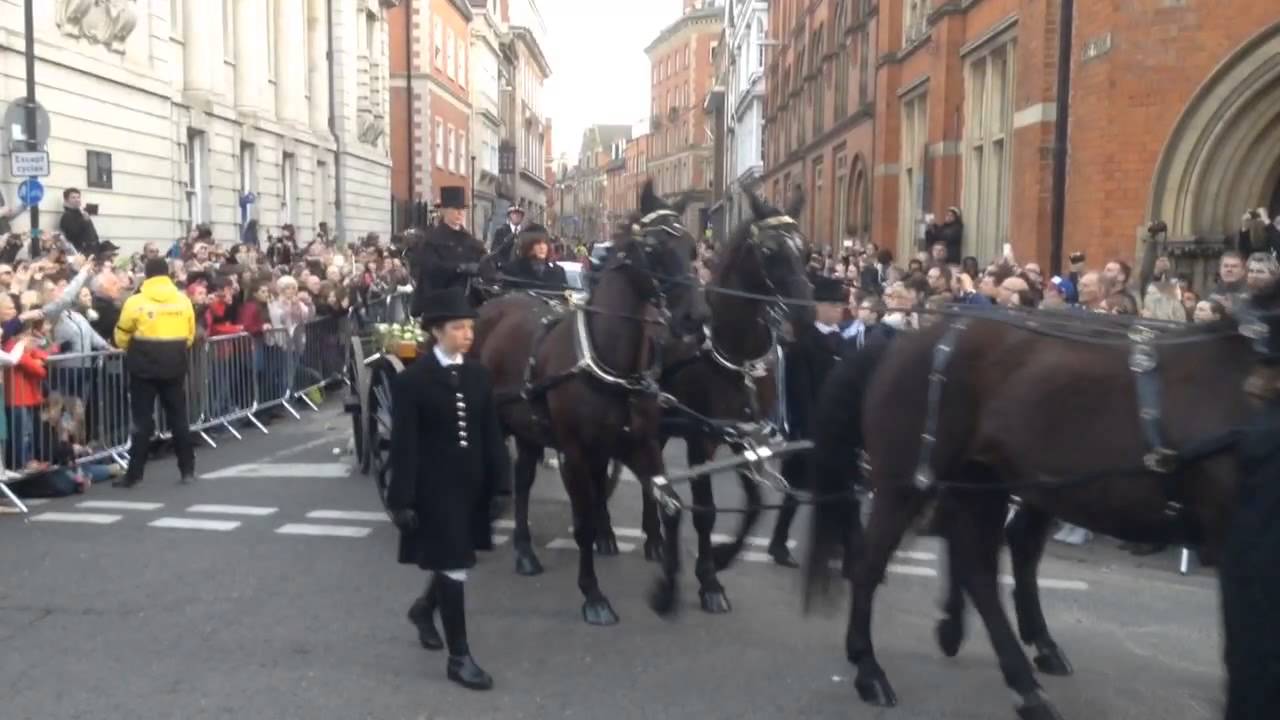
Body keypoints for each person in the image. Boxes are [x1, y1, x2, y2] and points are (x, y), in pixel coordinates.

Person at [387, 287, 508, 691]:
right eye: (458, 328)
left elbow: (491, 433)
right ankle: (460, 657)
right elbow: (405, 446)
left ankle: (424, 610)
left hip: (471, 484)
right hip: (433, 489)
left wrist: (500, 485)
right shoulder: (414, 381)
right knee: (455, 563)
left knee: (457, 557)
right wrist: (400, 499)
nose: (467, 335)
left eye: (470, 327)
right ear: (437, 332)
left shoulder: (477, 374)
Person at [768, 276, 851, 566]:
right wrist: (812, 431)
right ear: (818, 306)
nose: (840, 309)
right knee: (795, 490)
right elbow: (801, 394)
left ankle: (840, 544)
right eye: (834, 304)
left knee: (839, 490)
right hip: (810, 430)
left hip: (838, 431)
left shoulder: (843, 342)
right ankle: (779, 541)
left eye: (841, 304)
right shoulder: (804, 345)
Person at [112, 258, 196, 488]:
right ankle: (187, 469)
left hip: (143, 368)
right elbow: (190, 335)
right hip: (174, 366)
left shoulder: (135, 301)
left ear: (146, 276)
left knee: (141, 422)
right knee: (178, 419)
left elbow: (121, 334)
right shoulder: (183, 300)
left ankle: (135, 474)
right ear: (167, 274)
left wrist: (130, 346)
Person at [410, 186, 487, 316]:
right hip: (440, 302)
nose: (460, 213)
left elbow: (483, 259)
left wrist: (484, 265)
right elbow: (429, 268)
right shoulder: (432, 239)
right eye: (455, 209)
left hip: (467, 301)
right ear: (444, 210)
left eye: (462, 209)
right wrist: (460, 268)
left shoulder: (470, 240)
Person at [503, 224, 567, 292]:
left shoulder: (558, 272)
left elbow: (564, 297)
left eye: (544, 243)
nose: (542, 247)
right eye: (537, 243)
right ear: (527, 244)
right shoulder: (513, 270)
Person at [58, 188, 100, 256]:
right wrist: (85, 221)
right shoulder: (67, 216)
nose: (77, 200)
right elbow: (72, 235)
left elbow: (91, 232)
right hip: (81, 251)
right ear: (66, 200)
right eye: (73, 197)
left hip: (94, 249)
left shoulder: (82, 213)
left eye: (78, 197)